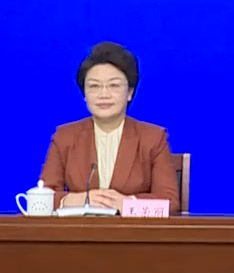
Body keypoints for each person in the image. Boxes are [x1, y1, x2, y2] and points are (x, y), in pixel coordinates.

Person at [40, 41, 178, 211]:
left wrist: (126, 203)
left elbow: (169, 202)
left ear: (130, 92)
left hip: (131, 228)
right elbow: (43, 196)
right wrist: (76, 199)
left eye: (114, 85)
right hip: (80, 227)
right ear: (84, 94)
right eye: (94, 86)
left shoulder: (153, 138)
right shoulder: (65, 136)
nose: (104, 94)